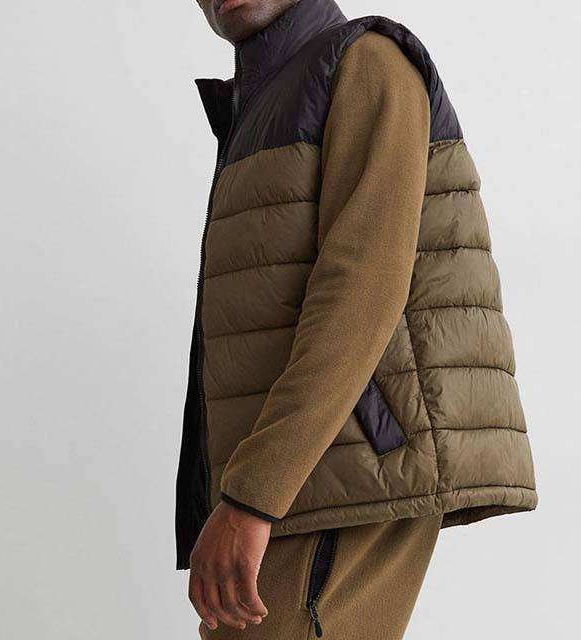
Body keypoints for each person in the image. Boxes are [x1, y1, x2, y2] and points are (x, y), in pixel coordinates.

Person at [175, 1, 537, 638]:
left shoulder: (365, 62)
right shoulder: (269, 98)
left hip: (344, 464)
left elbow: (362, 292)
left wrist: (253, 493)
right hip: (307, 474)